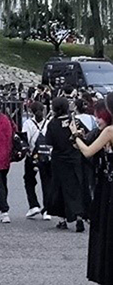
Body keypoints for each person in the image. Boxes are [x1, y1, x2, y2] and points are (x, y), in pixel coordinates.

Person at [71, 93, 113, 285]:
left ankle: (104, 279)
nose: (97, 119)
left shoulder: (110, 131)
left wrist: (77, 137)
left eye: (100, 115)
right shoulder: (104, 131)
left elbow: (88, 152)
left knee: (103, 230)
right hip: (106, 185)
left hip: (108, 188)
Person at [46, 96, 87, 232]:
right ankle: (79, 216)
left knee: (59, 188)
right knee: (76, 187)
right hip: (75, 157)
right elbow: (85, 135)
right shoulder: (74, 121)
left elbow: (49, 141)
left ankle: (63, 219)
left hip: (59, 159)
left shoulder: (53, 123)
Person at [22, 101, 51, 219]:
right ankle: (47, 209)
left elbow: (25, 139)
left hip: (32, 155)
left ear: (31, 111)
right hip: (46, 155)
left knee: (29, 180)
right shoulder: (48, 123)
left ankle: (33, 205)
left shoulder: (28, 123)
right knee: (47, 182)